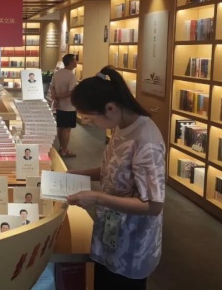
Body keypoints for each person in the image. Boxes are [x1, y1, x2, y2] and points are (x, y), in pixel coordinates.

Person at [66, 66, 165, 290]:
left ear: (110, 108)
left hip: (132, 240)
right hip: (111, 228)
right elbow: (113, 168)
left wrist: (97, 198)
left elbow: (153, 205)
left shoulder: (146, 142)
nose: (89, 123)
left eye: (91, 119)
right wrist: (79, 174)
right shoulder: (122, 125)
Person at [50, 53, 78, 158]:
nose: (76, 62)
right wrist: (59, 96)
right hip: (69, 107)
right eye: (75, 60)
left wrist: (55, 98)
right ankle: (65, 150)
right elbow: (71, 92)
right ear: (70, 62)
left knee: (61, 127)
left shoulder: (57, 74)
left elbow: (52, 87)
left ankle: (61, 147)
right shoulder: (71, 76)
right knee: (67, 129)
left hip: (60, 106)